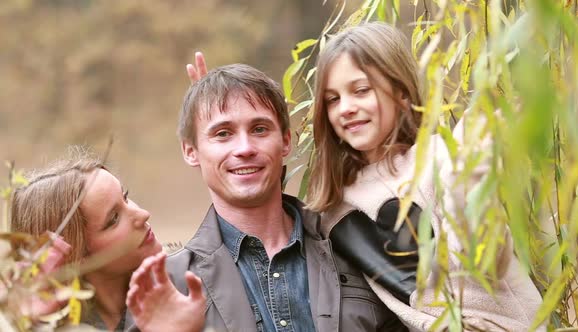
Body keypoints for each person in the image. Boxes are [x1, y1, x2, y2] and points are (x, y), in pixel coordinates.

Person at [127, 62, 402, 331]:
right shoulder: (171, 285)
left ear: (285, 141)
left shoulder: (353, 242)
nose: (245, 148)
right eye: (223, 134)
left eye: (259, 129)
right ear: (191, 151)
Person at [305, 22, 543, 331]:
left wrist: (468, 175)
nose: (346, 108)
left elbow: (488, 262)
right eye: (332, 99)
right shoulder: (333, 209)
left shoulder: (441, 157)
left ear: (402, 93)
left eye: (361, 90)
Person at [10, 148, 204, 332]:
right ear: (75, 255)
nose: (143, 214)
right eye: (114, 219)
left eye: (126, 198)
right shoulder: (52, 325)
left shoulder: (195, 282)